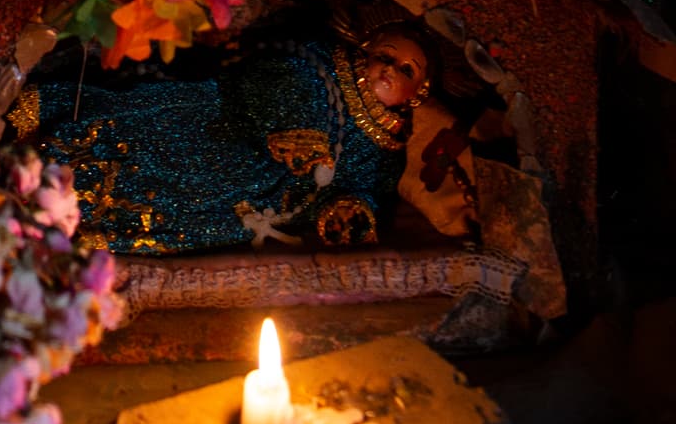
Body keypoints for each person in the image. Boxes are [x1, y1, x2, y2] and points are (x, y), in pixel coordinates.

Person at [26, 19, 448, 253]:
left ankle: (85, 227)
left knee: (187, 213)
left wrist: (349, 209)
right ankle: (46, 160)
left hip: (255, 200)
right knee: (144, 131)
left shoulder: (387, 150)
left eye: (406, 70)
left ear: (419, 94)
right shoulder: (321, 63)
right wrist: (294, 127)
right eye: (385, 57)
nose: (390, 70)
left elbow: (367, 189)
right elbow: (274, 73)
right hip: (222, 129)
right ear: (366, 51)